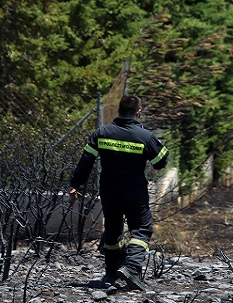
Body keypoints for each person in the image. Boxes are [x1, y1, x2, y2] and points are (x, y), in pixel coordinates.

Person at [69, 94, 169, 289]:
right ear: (138, 112)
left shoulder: (102, 133)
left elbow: (86, 161)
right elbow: (160, 163)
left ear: (119, 111)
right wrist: (150, 141)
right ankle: (131, 268)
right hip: (134, 194)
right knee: (142, 229)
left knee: (113, 231)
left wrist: (75, 184)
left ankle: (111, 274)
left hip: (109, 192)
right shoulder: (145, 137)